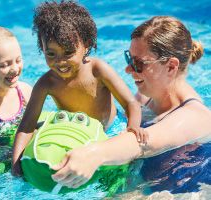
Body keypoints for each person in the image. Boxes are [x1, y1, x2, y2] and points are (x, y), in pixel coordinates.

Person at [50, 16, 211, 190]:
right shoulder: (145, 98)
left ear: (171, 67)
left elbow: (143, 145)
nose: (128, 70)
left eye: (138, 63)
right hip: (148, 183)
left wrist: (93, 154)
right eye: (129, 59)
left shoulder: (195, 116)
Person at [12, 1, 142, 176]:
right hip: (75, 133)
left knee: (122, 174)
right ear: (42, 48)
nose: (60, 61)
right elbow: (26, 125)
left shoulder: (97, 70)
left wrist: (131, 132)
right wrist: (16, 163)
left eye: (68, 53)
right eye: (51, 54)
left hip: (110, 130)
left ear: (86, 45)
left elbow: (131, 104)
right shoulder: (46, 83)